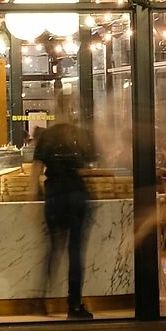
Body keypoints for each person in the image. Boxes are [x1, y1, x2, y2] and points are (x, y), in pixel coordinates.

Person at [35, 114, 97, 319]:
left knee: (54, 249)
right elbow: (90, 163)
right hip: (76, 194)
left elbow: (36, 169)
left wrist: (31, 193)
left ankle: (42, 300)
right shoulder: (78, 135)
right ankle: (74, 306)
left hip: (54, 194)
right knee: (75, 252)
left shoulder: (47, 136)